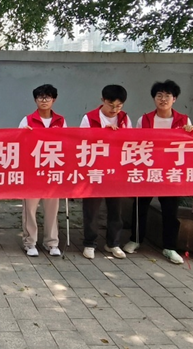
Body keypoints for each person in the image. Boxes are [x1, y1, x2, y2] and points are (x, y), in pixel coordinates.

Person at [123, 80, 193, 264]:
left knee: (170, 211)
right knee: (140, 207)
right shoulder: (144, 120)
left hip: (171, 172)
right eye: (159, 95)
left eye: (167, 96)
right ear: (154, 98)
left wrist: (191, 131)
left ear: (175, 99)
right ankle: (135, 239)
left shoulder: (183, 120)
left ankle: (169, 247)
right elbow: (135, 143)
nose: (163, 99)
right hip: (148, 170)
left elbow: (191, 144)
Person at [79, 84, 132, 260]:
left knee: (116, 209)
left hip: (116, 170)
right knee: (92, 210)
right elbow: (82, 142)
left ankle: (113, 243)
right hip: (94, 169)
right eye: (111, 105)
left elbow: (130, 142)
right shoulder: (89, 118)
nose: (114, 110)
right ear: (102, 100)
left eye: (119, 106)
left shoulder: (124, 119)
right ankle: (89, 243)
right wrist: (103, 134)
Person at [19, 84, 65, 257]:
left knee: (52, 209)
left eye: (48, 97)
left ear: (54, 100)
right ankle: (30, 242)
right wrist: (24, 135)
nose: (44, 101)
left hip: (53, 171)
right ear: (35, 100)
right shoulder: (27, 120)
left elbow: (67, 143)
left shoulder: (60, 121)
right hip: (32, 171)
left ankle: (52, 242)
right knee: (29, 210)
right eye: (40, 97)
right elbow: (18, 144)